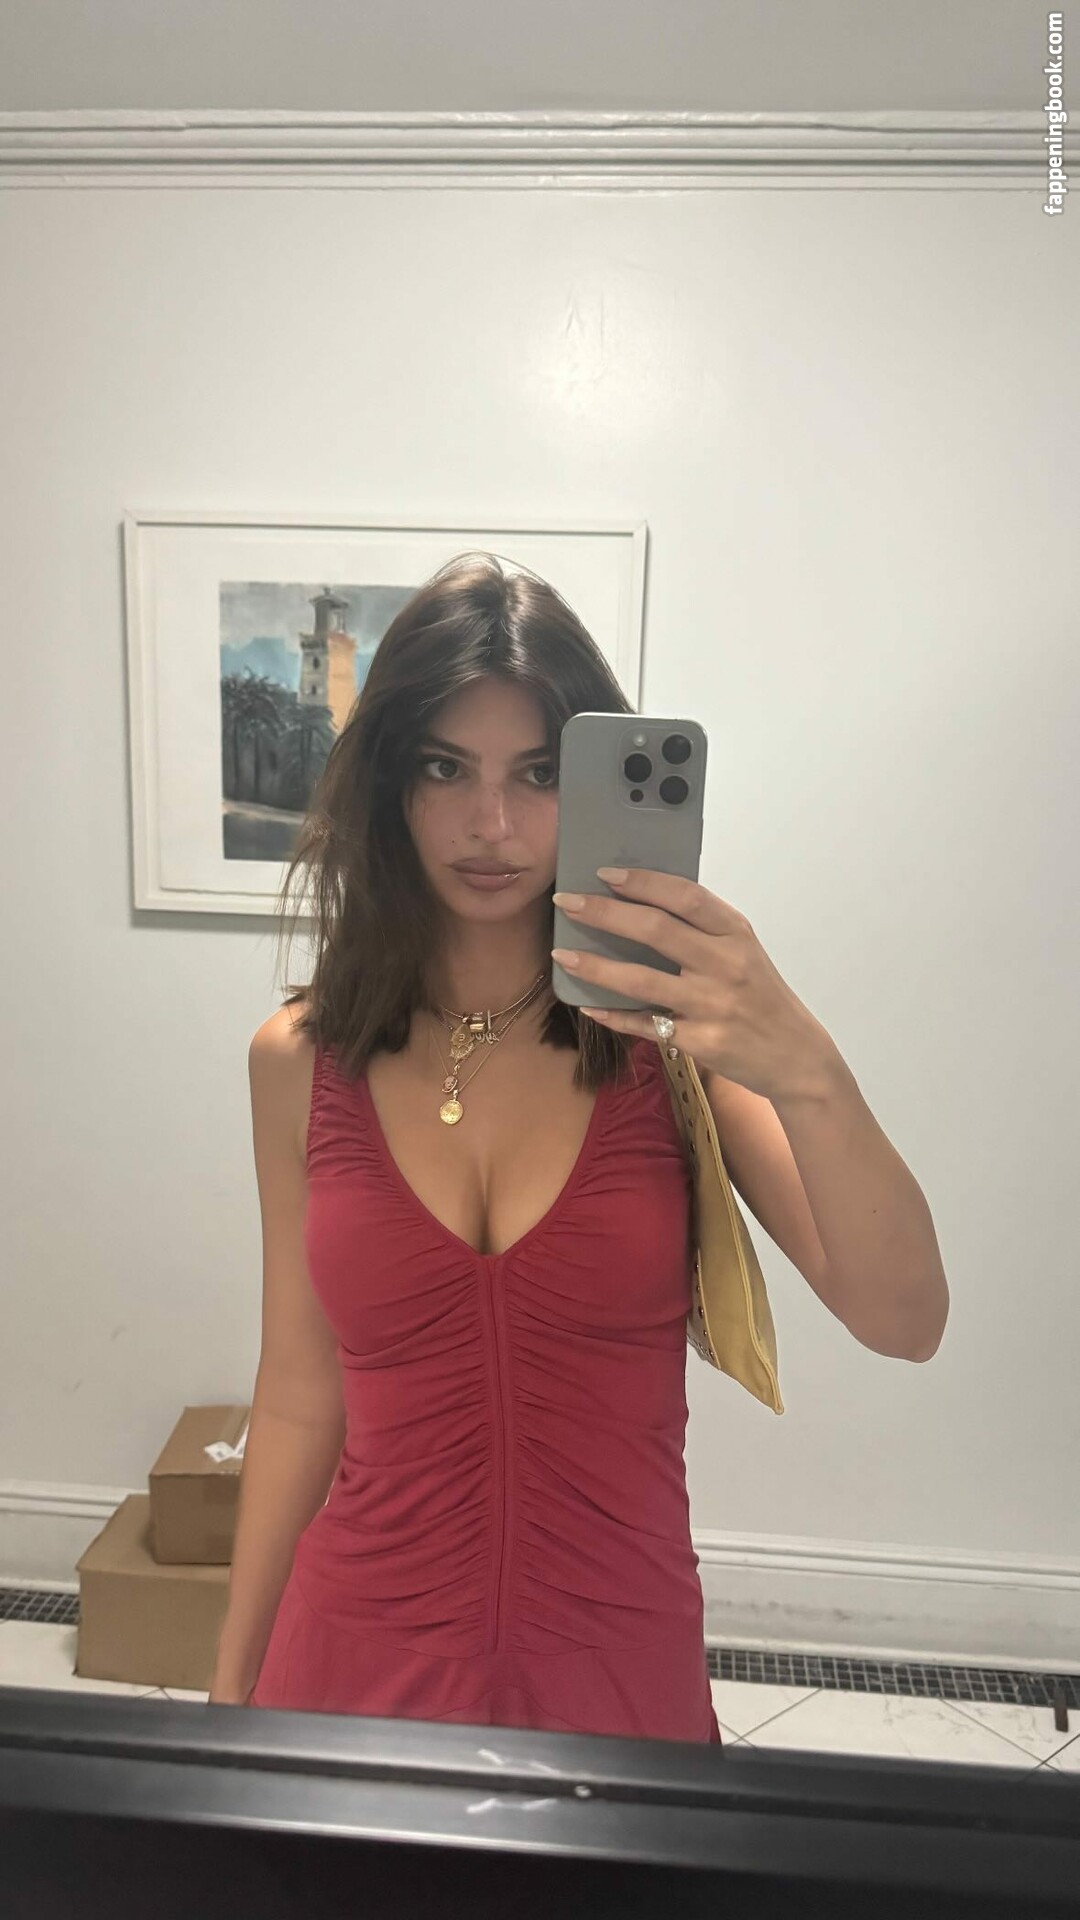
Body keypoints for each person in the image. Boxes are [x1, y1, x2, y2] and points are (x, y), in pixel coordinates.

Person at [208, 551, 726, 1743]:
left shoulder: (674, 1049)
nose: (490, 825)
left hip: (619, 1669)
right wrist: (228, 1699)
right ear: (390, 784)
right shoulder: (299, 1061)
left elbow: (906, 1317)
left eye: (539, 774)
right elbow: (298, 1395)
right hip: (349, 1656)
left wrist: (790, 1042)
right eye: (445, 768)